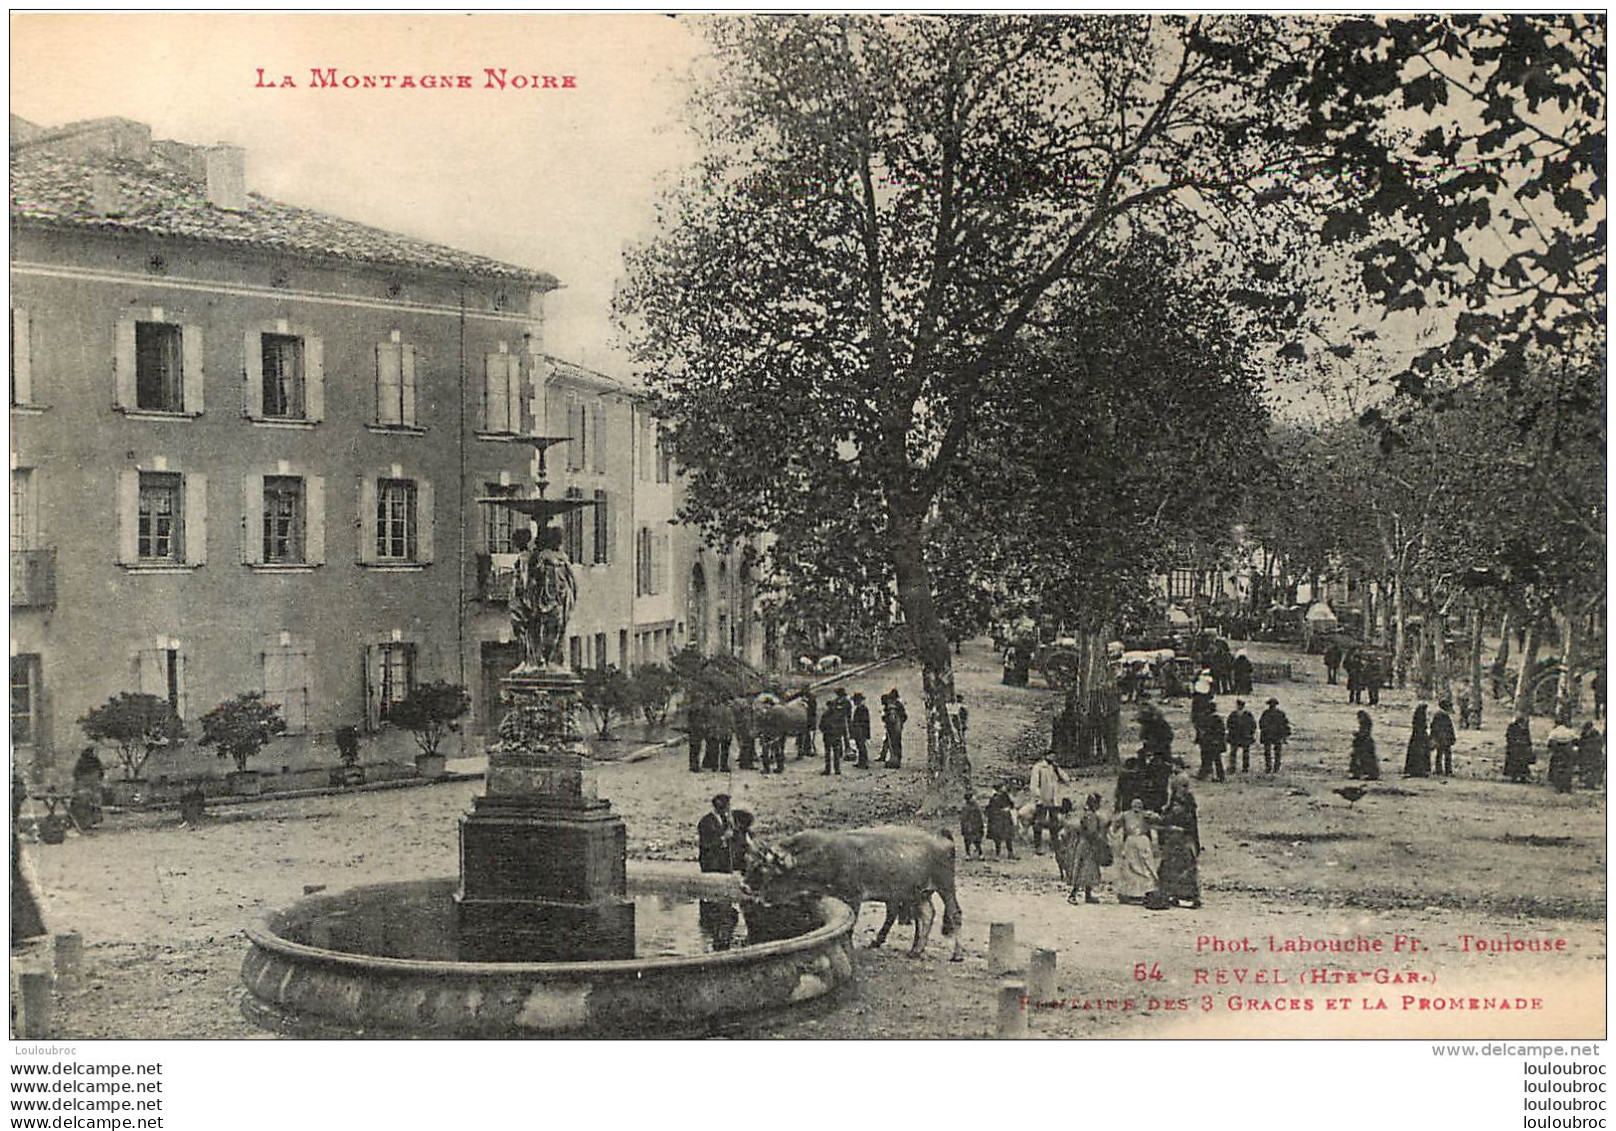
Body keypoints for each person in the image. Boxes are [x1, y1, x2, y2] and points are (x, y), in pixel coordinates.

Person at [511, 526, 578, 672]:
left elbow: (571, 580)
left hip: (556, 599)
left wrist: (569, 596)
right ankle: (534, 660)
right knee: (530, 629)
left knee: (555, 629)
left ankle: (551, 659)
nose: (559, 542)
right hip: (542, 600)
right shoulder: (533, 558)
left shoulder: (559, 558)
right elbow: (529, 579)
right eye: (557, 539)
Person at [1154, 776, 1203, 909]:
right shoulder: (1179, 802)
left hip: (1182, 840)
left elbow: (1176, 819)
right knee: (1173, 868)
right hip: (1175, 841)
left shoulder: (1184, 804)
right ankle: (1174, 894)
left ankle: (1186, 896)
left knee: (1183, 869)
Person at [1109, 797, 1159, 905]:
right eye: (1135, 806)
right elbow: (1114, 825)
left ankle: (1146, 891)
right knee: (1129, 868)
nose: (1137, 809)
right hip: (1130, 843)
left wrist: (1151, 815)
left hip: (1142, 842)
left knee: (1145, 867)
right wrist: (1113, 834)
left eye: (1139, 806)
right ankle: (1129, 893)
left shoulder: (1145, 815)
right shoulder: (1125, 815)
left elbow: (1157, 820)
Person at [1065, 793, 1109, 905]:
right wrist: (1099, 840)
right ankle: (1073, 895)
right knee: (1083, 870)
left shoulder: (1087, 814)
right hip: (1087, 844)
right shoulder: (1090, 816)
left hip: (1086, 843)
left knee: (1089, 870)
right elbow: (1091, 831)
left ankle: (1088, 895)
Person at [1029, 750, 1066, 855]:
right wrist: (1038, 798)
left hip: (1054, 800)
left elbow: (1066, 779)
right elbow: (1034, 785)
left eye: (1054, 755)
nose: (1052, 757)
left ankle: (1054, 845)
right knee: (1039, 823)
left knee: (1054, 823)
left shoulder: (1054, 768)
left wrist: (1058, 769)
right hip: (1043, 799)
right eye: (1050, 755)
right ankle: (1038, 846)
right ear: (1045, 756)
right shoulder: (1038, 767)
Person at [70, 746, 105, 830]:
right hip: (91, 787)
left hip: (87, 787)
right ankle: (89, 822)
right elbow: (101, 773)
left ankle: (84, 823)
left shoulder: (81, 762)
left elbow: (75, 774)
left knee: (86, 804)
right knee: (91, 804)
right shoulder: (95, 761)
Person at [697, 794, 733, 873]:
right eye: (727, 806)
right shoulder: (706, 821)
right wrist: (724, 838)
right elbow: (707, 843)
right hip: (711, 863)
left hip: (723, 864)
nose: (728, 809)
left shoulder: (725, 820)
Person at [819, 688, 849, 776]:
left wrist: (826, 731)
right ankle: (836, 770)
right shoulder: (838, 715)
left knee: (829, 754)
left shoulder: (825, 715)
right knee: (834, 754)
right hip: (834, 736)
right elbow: (841, 726)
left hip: (829, 736)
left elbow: (821, 726)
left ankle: (829, 770)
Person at [1258, 697, 1291, 773]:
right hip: (1276, 735)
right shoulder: (1279, 713)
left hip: (1270, 735)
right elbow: (1285, 724)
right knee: (1276, 753)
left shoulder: (1266, 713)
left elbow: (1261, 724)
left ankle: (1270, 767)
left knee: (1269, 753)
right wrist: (1285, 735)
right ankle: (1275, 767)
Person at [1195, 706, 1227, 783]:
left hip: (1211, 743)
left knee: (1213, 759)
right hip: (1208, 742)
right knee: (1211, 759)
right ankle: (1206, 775)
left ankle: (1213, 775)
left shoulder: (1215, 719)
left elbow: (1220, 731)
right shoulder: (1208, 718)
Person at [986, 781, 1017, 858]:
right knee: (998, 838)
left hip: (1006, 818)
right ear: (1000, 788)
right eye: (1003, 786)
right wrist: (1001, 811)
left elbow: (1011, 804)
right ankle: (998, 854)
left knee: (1008, 836)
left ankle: (1010, 853)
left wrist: (1009, 807)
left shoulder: (1005, 795)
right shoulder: (994, 798)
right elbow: (991, 810)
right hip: (998, 820)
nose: (1005, 788)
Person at [880, 689, 908, 768]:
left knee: (893, 744)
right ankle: (896, 760)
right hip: (897, 728)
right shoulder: (899, 705)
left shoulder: (891, 707)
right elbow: (905, 716)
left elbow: (890, 719)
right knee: (896, 744)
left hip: (893, 728)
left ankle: (894, 761)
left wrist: (885, 719)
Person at [1226, 699, 1256, 774]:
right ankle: (1232, 767)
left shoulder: (1248, 715)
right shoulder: (1233, 714)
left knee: (1245, 753)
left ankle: (1245, 768)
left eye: (1240, 705)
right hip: (1235, 736)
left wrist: (1250, 733)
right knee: (1233, 753)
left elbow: (1253, 725)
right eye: (1238, 705)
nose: (1239, 707)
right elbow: (1228, 724)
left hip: (1245, 736)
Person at [704, 698, 734, 773]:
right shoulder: (728, 710)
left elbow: (711, 721)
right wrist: (731, 731)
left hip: (716, 731)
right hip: (725, 731)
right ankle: (723, 766)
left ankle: (714, 765)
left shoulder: (714, 709)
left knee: (715, 749)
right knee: (725, 750)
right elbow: (731, 722)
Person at [1546, 724, 1577, 794]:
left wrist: (1551, 750)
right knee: (1568, 769)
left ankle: (1559, 787)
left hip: (1557, 751)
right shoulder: (1570, 731)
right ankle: (1568, 787)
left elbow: (1549, 743)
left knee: (1557, 769)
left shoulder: (1554, 732)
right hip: (1567, 751)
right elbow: (1576, 742)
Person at [1504, 715, 1535, 783]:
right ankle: (1514, 776)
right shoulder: (1512, 726)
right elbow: (1509, 737)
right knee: (1515, 762)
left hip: (1522, 747)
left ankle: (1522, 777)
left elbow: (1528, 737)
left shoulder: (1525, 728)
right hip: (1514, 748)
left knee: (1523, 763)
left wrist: (1528, 745)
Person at [1349, 711, 1380, 781]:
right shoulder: (1366, 725)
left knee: (1363, 759)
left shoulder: (1365, 725)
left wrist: (1358, 735)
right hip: (1364, 744)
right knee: (1360, 759)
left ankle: (1366, 774)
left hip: (1364, 744)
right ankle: (1362, 773)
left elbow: (1364, 734)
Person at [1403, 703, 1432, 778]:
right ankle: (1420, 770)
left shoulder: (1417, 720)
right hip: (1420, 739)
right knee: (1420, 754)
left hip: (1417, 738)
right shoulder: (1420, 723)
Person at [1430, 699, 1457, 777]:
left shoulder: (1438, 715)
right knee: (1446, 755)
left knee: (1441, 755)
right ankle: (1446, 771)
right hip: (1443, 739)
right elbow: (1448, 728)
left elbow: (1434, 727)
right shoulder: (1443, 716)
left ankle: (1440, 770)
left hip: (1442, 739)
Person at [1576, 722, 1605, 789]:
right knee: (1585, 768)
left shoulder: (1596, 734)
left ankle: (1594, 783)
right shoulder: (1583, 734)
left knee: (1595, 768)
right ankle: (1586, 782)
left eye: (1587, 730)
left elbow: (1599, 744)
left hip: (1594, 754)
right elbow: (1581, 743)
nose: (1586, 731)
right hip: (1585, 754)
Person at [849, 692, 872, 769]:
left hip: (861, 730)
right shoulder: (859, 709)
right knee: (859, 746)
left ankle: (864, 763)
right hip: (858, 730)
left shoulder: (862, 709)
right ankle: (861, 762)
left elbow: (865, 722)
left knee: (862, 746)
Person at [960, 792, 985, 858]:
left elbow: (979, 817)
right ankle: (968, 854)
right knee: (968, 841)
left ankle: (980, 853)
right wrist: (963, 827)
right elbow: (963, 818)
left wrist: (981, 825)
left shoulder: (976, 807)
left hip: (975, 826)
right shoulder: (966, 807)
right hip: (969, 826)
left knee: (977, 841)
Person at [796, 689, 817, 761]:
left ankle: (807, 750)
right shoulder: (803, 699)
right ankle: (804, 750)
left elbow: (812, 710)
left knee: (807, 736)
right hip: (802, 720)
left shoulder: (811, 700)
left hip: (808, 720)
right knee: (803, 736)